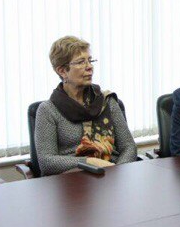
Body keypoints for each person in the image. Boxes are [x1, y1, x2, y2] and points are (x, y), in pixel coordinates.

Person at [34, 36, 137, 175]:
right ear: (62, 71)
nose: (89, 67)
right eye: (81, 62)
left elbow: (129, 147)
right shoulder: (48, 110)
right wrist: (89, 162)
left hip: (112, 175)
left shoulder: (106, 101)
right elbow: (47, 162)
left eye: (90, 60)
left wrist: (117, 172)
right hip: (72, 180)